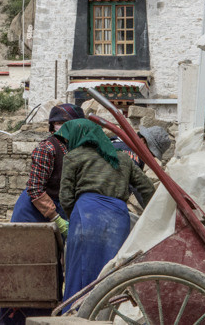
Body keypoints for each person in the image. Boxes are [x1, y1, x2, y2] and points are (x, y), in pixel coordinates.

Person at [0, 103, 83, 325]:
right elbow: (35, 188)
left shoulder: (75, 150)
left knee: (51, 270)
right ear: (53, 126)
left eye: (69, 123)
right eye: (59, 123)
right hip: (33, 212)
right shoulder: (47, 149)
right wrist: (56, 219)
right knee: (25, 267)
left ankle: (44, 320)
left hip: (56, 209)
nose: (64, 127)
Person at [58, 119, 155, 302]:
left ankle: (76, 311)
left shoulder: (74, 156)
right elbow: (147, 189)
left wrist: (76, 216)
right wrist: (153, 218)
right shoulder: (123, 158)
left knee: (79, 268)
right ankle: (106, 313)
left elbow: (65, 196)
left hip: (85, 215)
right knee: (110, 270)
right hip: (117, 218)